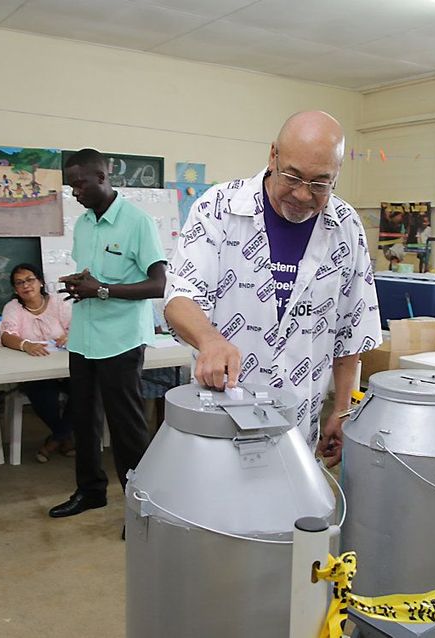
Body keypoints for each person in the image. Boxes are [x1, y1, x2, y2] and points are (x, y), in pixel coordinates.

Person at [163, 111, 382, 466]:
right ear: (272, 156)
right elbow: (180, 296)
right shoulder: (219, 208)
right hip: (221, 415)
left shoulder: (345, 226)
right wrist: (210, 339)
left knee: (290, 515)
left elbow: (351, 330)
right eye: (292, 176)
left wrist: (342, 409)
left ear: (337, 175)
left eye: (320, 183)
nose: (302, 194)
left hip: (299, 425)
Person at [48, 148, 167, 520]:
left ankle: (140, 507)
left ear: (102, 177)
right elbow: (93, 277)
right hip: (84, 337)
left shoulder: (137, 222)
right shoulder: (83, 224)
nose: (74, 192)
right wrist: (80, 284)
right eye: (71, 186)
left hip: (121, 340)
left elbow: (159, 284)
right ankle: (90, 491)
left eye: (80, 184)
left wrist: (101, 290)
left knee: (126, 426)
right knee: (83, 419)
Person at [0, 263, 75, 463]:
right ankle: (63, 437)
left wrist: (69, 337)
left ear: (40, 282)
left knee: (85, 388)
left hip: (64, 364)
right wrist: (25, 345)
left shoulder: (58, 302)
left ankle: (56, 438)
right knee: (43, 394)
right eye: (19, 283)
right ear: (15, 289)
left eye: (30, 280)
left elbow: (74, 327)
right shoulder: (13, 308)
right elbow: (7, 336)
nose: (26, 285)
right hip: (34, 368)